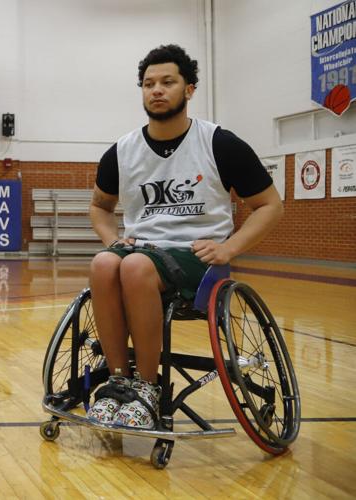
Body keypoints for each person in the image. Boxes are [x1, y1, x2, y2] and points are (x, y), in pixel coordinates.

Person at [86, 44, 282, 428]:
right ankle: (118, 380)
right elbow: (99, 207)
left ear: (189, 89)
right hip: (142, 252)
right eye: (148, 83)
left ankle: (147, 386)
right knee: (104, 261)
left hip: (198, 258)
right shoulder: (122, 151)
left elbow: (271, 205)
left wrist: (230, 247)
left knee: (136, 267)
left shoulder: (219, 144)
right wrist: (111, 239)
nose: (156, 90)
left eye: (167, 82)